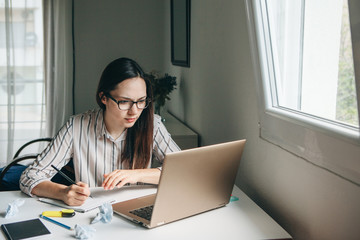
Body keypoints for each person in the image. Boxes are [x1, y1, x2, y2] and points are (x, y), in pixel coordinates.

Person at [20, 57, 181, 206]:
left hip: (137, 209)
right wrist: (63, 192)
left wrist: (136, 175)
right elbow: (29, 177)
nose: (134, 111)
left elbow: (183, 172)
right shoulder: (76, 126)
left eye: (141, 101)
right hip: (92, 214)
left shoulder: (153, 124)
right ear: (104, 97)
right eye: (124, 102)